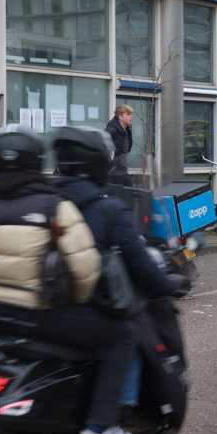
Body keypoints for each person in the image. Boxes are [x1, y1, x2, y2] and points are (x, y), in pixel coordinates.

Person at [0, 124, 137, 434]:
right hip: (42, 316)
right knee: (123, 336)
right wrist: (77, 302)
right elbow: (85, 269)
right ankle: (101, 423)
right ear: (37, 161)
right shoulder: (55, 206)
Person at [52, 126, 181, 418]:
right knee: (127, 333)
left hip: (43, 305)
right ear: (99, 163)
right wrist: (167, 284)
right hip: (85, 308)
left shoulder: (46, 201)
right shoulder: (108, 208)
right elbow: (139, 261)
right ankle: (116, 412)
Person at [104, 104, 134, 186]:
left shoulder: (128, 131)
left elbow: (125, 152)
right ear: (120, 117)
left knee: (131, 195)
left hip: (123, 171)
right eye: (128, 114)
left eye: (131, 114)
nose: (131, 117)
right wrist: (107, 168)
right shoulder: (112, 129)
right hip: (113, 172)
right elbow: (101, 146)